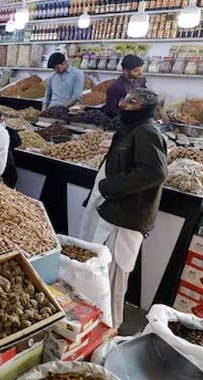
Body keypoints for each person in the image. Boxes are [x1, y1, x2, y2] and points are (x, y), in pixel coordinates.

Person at [78, 88, 168, 328]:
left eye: (132, 101)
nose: (123, 104)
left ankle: (110, 328)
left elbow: (154, 172)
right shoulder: (131, 129)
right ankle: (95, 326)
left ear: (145, 109)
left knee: (113, 282)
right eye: (124, 99)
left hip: (126, 219)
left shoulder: (147, 132)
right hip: (113, 212)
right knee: (100, 276)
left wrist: (110, 187)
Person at [103, 55, 169, 121]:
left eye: (141, 70)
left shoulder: (140, 81)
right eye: (136, 71)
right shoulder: (115, 88)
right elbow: (110, 111)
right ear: (125, 71)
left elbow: (147, 99)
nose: (140, 73)